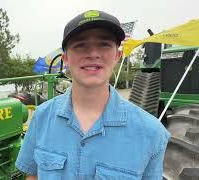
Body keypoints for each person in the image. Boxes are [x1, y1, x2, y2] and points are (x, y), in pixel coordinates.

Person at [16, 10, 170, 180]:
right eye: (80, 45)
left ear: (117, 55)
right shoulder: (42, 117)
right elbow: (33, 175)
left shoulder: (152, 133)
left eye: (104, 44)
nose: (93, 54)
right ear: (65, 58)